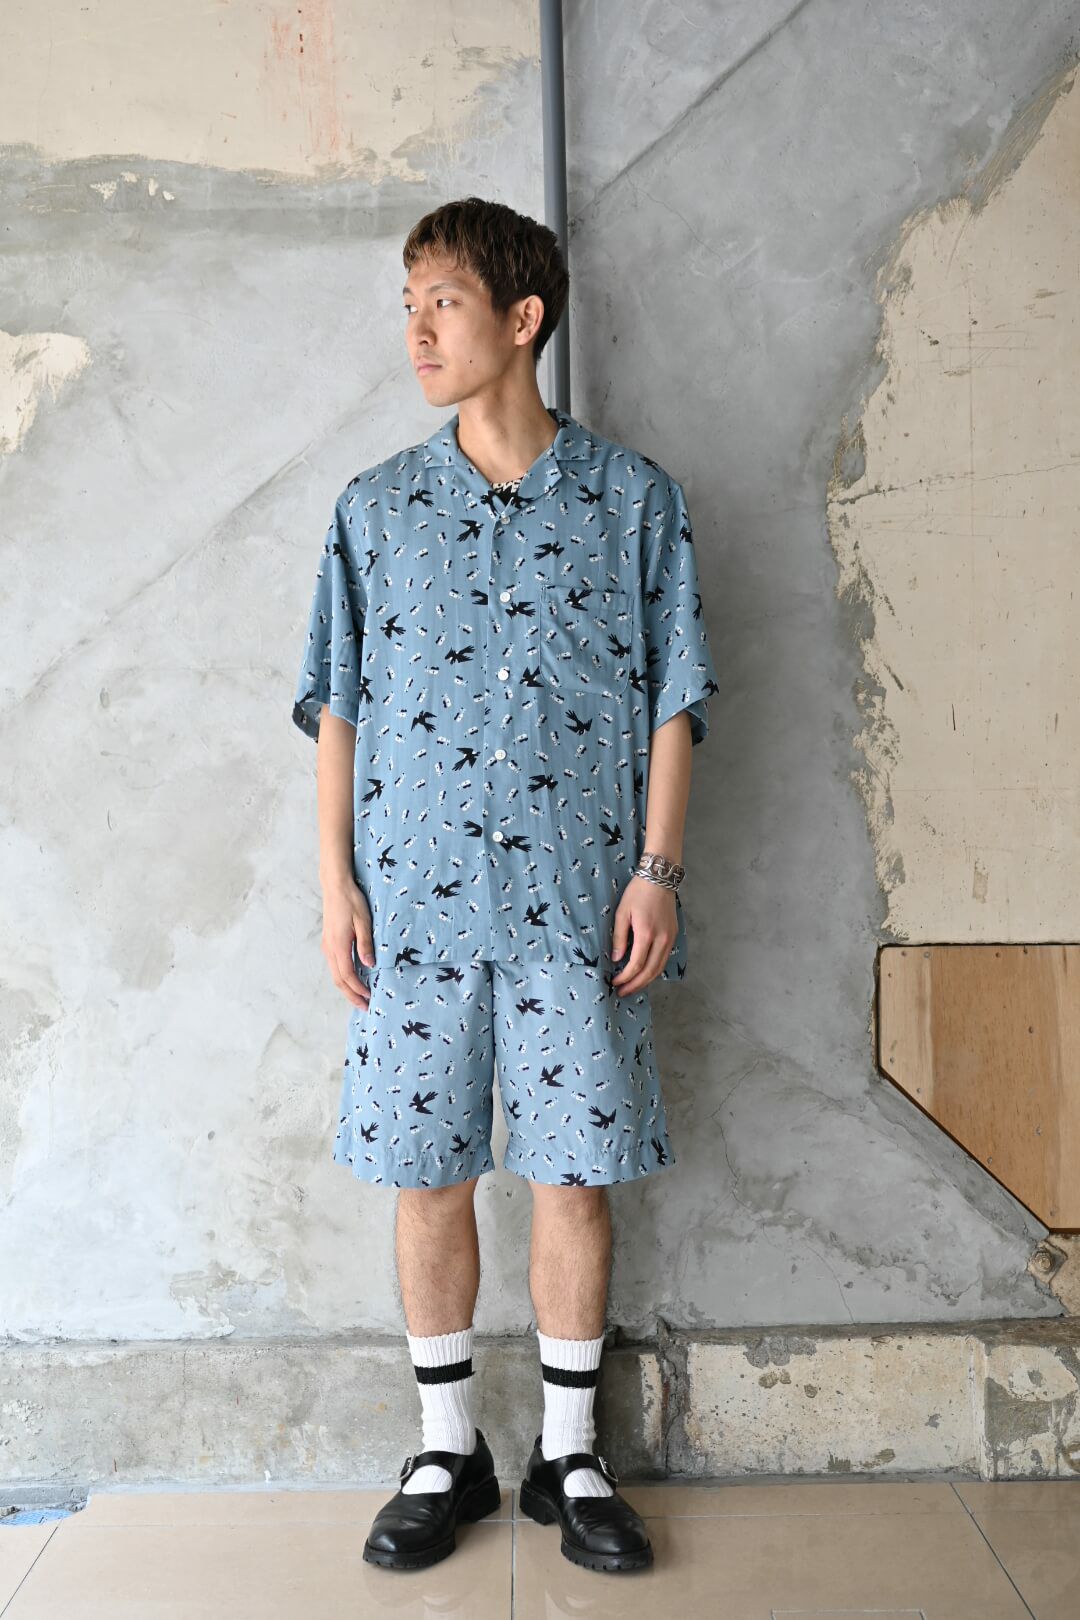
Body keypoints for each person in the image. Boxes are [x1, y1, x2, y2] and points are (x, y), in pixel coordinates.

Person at [292, 197, 718, 1575]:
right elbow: (339, 709)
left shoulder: (634, 501)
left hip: (580, 905)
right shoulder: (374, 510)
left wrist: (657, 871)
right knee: (427, 1176)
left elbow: (674, 700)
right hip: (413, 910)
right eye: (408, 304)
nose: (418, 330)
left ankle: (571, 1458)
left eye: (445, 302)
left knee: (573, 1175)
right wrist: (334, 886)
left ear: (523, 318)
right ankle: (446, 1449)